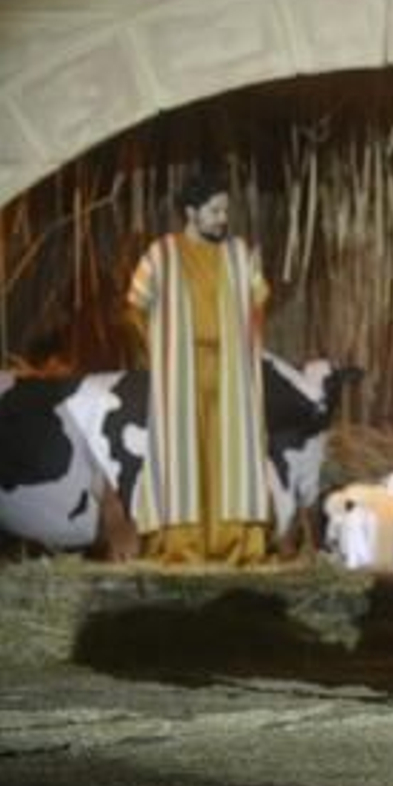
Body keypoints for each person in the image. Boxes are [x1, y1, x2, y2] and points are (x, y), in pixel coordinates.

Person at [126, 168, 273, 564]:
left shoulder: (239, 253)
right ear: (191, 211)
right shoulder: (161, 255)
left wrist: (244, 344)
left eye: (225, 211)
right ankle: (183, 545)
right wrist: (162, 350)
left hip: (231, 373)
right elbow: (136, 307)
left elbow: (258, 302)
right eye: (214, 211)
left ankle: (234, 545)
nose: (223, 219)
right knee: (183, 456)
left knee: (231, 455)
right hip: (182, 373)